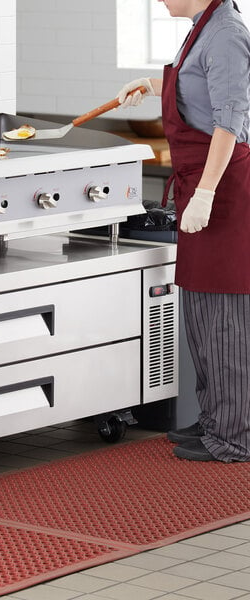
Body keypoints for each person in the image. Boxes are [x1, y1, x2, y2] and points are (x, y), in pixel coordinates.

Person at [117, 0, 250, 462]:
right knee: (200, 311)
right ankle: (215, 419)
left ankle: (236, 436)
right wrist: (157, 87)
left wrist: (208, 193)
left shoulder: (227, 32)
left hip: (225, 190)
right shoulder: (203, 26)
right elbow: (200, 91)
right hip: (200, 183)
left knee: (226, 316)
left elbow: (229, 121)